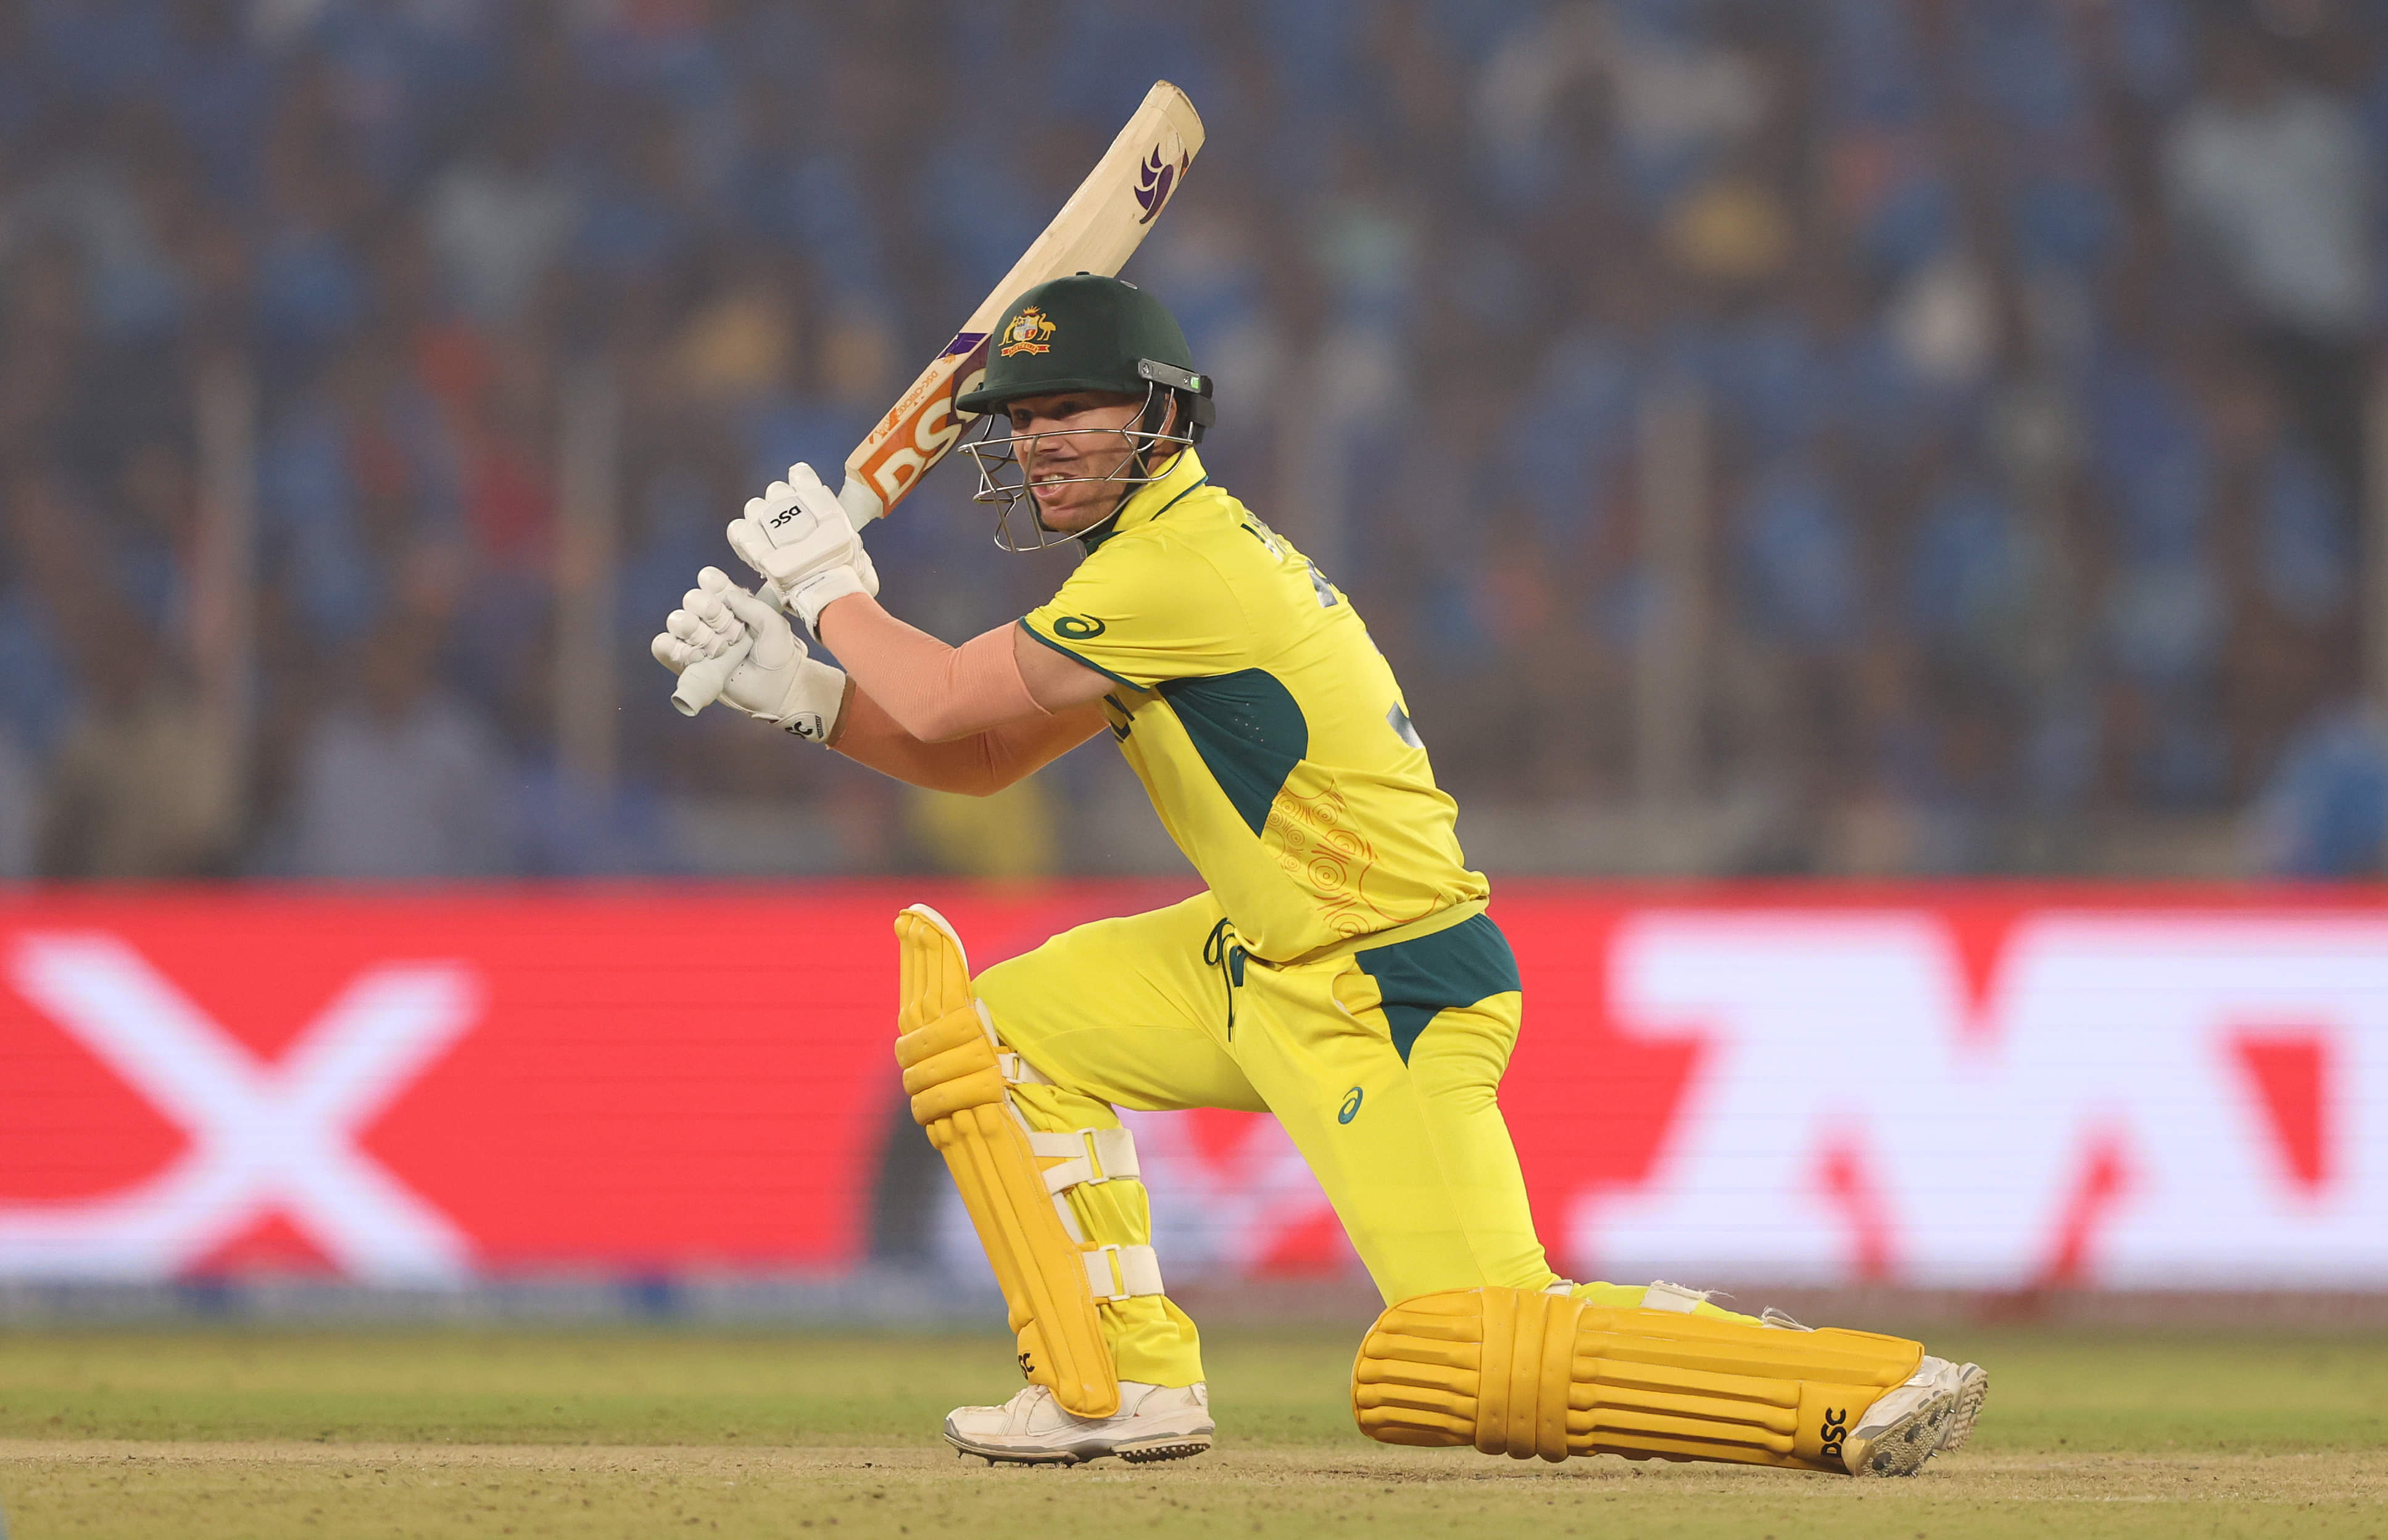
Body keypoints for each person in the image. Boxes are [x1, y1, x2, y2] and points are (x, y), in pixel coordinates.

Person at [652, 275, 1986, 1474]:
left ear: (1158, 417)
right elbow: (984, 757)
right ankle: (1113, 1386)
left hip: (1381, 983)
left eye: (1074, 410)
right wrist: (802, 694)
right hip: (1252, 961)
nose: (1042, 440)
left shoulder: (1180, 571)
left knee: (1469, 1343)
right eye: (1026, 417)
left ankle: (1847, 1385)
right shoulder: (1143, 574)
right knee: (995, 1036)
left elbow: (946, 698)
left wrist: (828, 589)